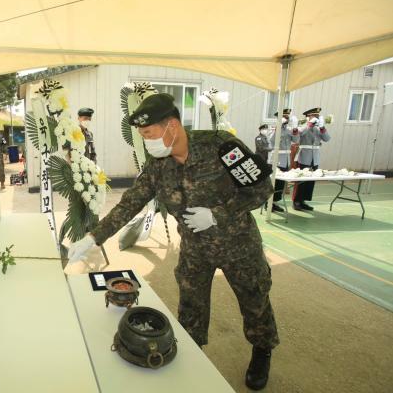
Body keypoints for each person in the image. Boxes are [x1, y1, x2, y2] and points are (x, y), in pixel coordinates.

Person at [68, 93, 279, 391]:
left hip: (239, 246)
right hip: (195, 250)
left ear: (173, 126)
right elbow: (129, 204)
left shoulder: (221, 146)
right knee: (191, 310)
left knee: (254, 301)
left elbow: (262, 190)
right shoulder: (158, 166)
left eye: (150, 133)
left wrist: (217, 214)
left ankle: (262, 350)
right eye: (142, 136)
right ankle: (193, 359)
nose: (147, 141)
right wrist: (93, 237)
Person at [293, 108, 331, 211]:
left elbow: (327, 139)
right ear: (308, 117)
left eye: (317, 116)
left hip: (315, 157)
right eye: (314, 116)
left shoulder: (318, 128)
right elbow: (298, 135)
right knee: (301, 180)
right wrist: (309, 125)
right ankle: (296, 201)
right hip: (305, 156)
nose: (316, 118)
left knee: (310, 181)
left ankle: (303, 201)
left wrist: (322, 128)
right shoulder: (303, 126)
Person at [268, 109, 299, 213]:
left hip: (285, 159)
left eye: (287, 117)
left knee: (280, 183)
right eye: (284, 116)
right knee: (273, 182)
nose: (286, 119)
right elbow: (270, 141)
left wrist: (295, 129)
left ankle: (275, 202)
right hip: (276, 159)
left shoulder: (289, 129)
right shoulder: (273, 128)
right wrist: (277, 128)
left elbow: (296, 140)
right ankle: (269, 203)